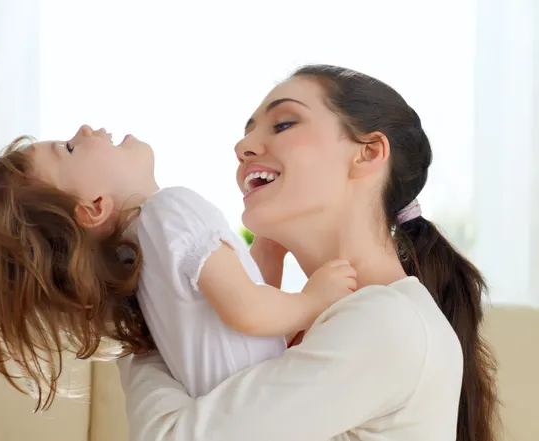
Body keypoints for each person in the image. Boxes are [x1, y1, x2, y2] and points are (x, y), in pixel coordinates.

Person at [117, 65, 499, 441]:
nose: (242, 148)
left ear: (367, 153)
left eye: (283, 124)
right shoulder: (306, 316)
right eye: (247, 132)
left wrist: (144, 339)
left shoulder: (389, 322)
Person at [0, 125, 357, 410]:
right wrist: (312, 298)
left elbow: (235, 333)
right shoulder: (172, 208)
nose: (85, 128)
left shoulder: (142, 254)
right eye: (71, 149)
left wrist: (266, 259)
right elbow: (248, 311)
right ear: (94, 207)